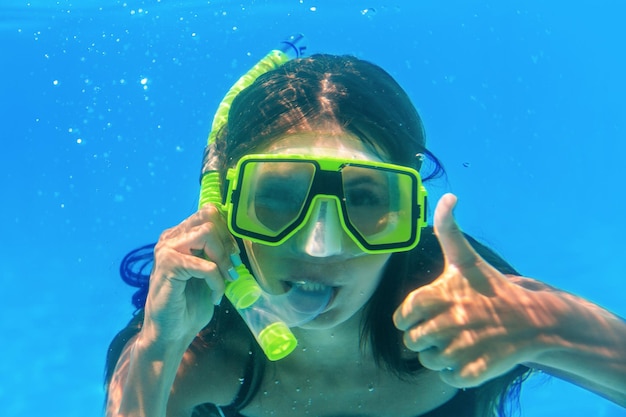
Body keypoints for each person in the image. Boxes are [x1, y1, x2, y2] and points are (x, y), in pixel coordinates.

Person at [104, 54, 626, 417]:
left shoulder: (472, 306)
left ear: (412, 214)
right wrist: (158, 345)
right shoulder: (197, 347)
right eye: (279, 196)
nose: (319, 246)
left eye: (367, 199)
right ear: (228, 210)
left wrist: (544, 329)